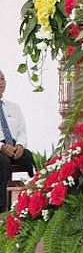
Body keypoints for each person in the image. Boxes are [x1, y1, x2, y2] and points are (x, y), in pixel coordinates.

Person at [0, 70, 34, 213]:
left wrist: (20, 145)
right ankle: (3, 209)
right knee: (3, 162)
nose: (1, 82)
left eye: (3, 79)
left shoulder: (14, 107)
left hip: (14, 146)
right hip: (0, 148)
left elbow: (22, 131)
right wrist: (2, 147)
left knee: (31, 157)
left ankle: (36, 198)